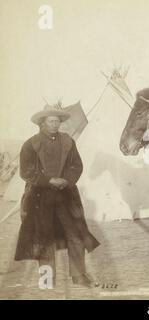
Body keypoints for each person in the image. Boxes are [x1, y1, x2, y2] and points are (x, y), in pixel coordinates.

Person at [14, 104, 100, 288]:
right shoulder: (30, 144)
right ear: (42, 124)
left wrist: (66, 180)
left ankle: (79, 275)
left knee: (76, 235)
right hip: (40, 198)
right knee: (43, 238)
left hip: (66, 197)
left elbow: (76, 166)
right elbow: (26, 171)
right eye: (50, 121)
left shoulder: (68, 141)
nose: (54, 124)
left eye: (56, 121)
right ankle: (47, 278)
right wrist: (48, 181)